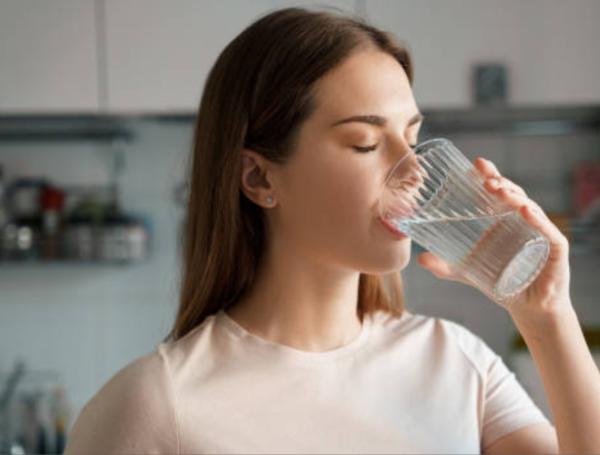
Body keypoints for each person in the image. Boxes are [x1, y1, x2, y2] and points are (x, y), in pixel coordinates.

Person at [64, 7, 600, 455]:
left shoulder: (456, 363)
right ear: (258, 176)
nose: (412, 171)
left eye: (411, 136)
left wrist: (548, 316)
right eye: (365, 143)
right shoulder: (157, 405)